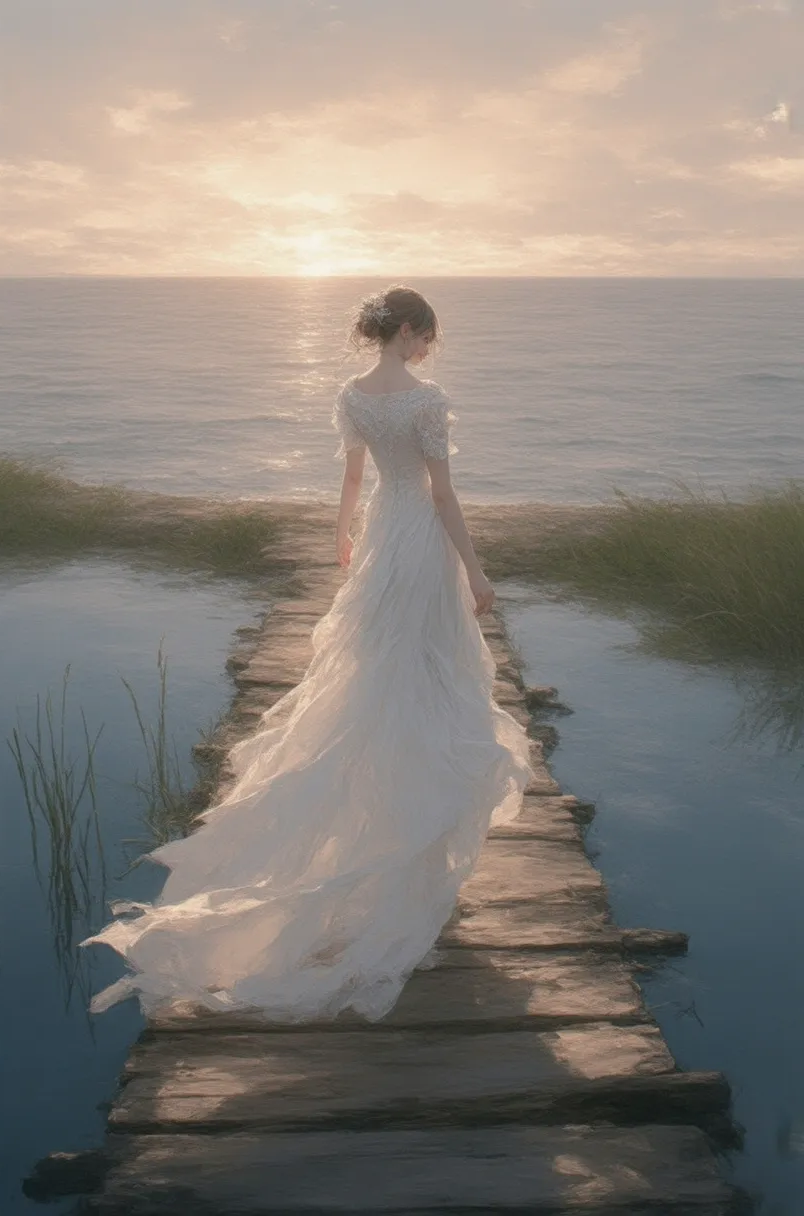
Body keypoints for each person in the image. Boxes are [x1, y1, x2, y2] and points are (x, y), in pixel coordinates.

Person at [79, 283, 535, 1021]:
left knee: (380, 676)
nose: (426, 351)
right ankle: (409, 839)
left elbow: (353, 476)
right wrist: (477, 569)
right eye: (426, 338)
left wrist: (342, 535)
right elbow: (444, 496)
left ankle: (381, 829)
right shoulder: (427, 400)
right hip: (419, 541)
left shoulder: (352, 395)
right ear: (412, 330)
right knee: (430, 676)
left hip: (385, 533)